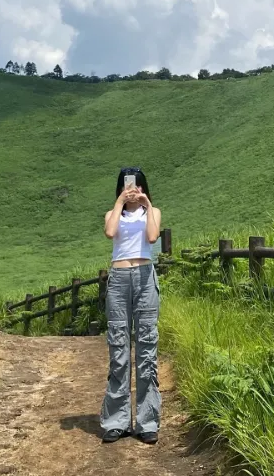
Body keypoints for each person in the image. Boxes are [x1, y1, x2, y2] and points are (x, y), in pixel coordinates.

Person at [100, 167, 162, 445]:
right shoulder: (113, 214)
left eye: (137, 185)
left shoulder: (153, 211)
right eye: (128, 186)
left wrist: (147, 204)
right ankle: (117, 421)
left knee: (147, 347)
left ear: (143, 187)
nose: (132, 190)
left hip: (145, 277)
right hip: (119, 278)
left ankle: (147, 422)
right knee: (118, 347)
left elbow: (151, 238)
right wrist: (119, 203)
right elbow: (110, 232)